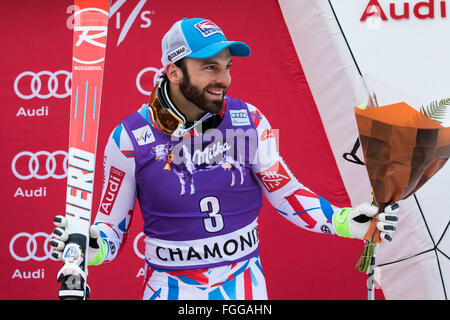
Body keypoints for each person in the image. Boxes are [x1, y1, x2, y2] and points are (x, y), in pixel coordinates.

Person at [51, 17, 399, 300]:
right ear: (174, 73)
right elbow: (111, 231)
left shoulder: (250, 120)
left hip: (244, 288)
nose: (224, 79)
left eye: (227, 67)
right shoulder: (128, 138)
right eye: (209, 68)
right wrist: (88, 247)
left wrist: (343, 221)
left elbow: (285, 192)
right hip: (171, 290)